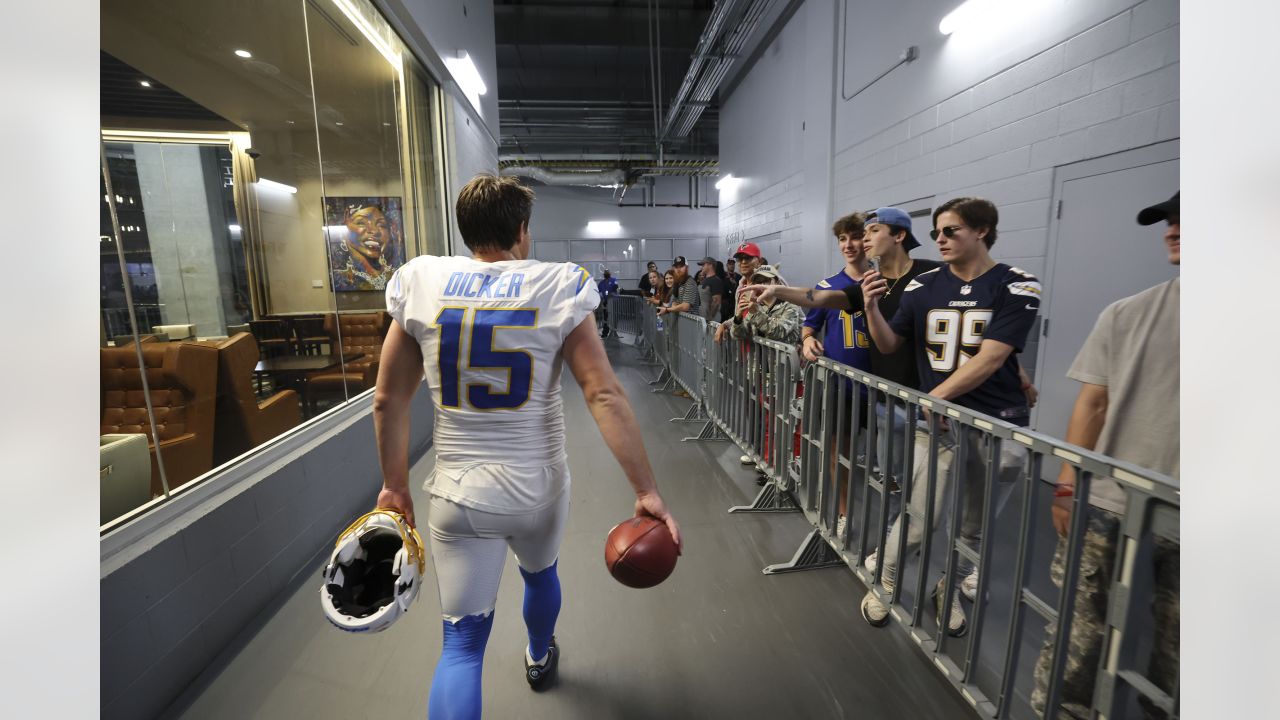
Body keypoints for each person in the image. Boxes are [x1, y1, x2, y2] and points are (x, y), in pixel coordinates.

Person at [372, 174, 682, 720]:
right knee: (541, 574)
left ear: (466, 231)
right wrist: (646, 490)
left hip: (458, 491)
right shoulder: (557, 284)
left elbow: (387, 400)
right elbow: (603, 393)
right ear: (522, 230)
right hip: (537, 484)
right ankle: (539, 655)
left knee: (461, 648)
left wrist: (395, 486)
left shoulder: (421, 279)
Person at [1030, 193, 1180, 720]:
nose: (1173, 230)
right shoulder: (1127, 313)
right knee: (1082, 628)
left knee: (1183, 654)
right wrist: (1068, 484)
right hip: (1113, 504)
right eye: (1169, 219)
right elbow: (1092, 403)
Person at [861, 197, 1041, 637]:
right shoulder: (924, 287)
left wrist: (935, 397)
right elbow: (888, 345)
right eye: (937, 232)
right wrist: (869, 309)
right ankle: (884, 582)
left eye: (950, 231)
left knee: (974, 526)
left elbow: (994, 355)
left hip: (996, 422)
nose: (939, 239)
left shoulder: (1017, 284)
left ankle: (949, 588)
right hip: (939, 423)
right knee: (921, 515)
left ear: (982, 231)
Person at [329, 200, 406, 291]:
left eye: (381, 225)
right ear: (343, 232)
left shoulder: (398, 278)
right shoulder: (341, 280)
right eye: (361, 223)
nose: (375, 231)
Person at [697, 256, 726, 323]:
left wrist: (709, 318)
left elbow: (716, 301)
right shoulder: (705, 280)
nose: (701, 267)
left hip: (712, 321)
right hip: (704, 319)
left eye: (703, 265)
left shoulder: (716, 281)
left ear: (710, 265)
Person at [597, 269, 619, 338]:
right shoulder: (601, 283)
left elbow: (616, 287)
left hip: (613, 301)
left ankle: (614, 331)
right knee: (605, 317)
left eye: (608, 272)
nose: (606, 273)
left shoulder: (614, 280)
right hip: (605, 302)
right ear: (604, 274)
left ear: (610, 273)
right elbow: (598, 291)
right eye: (605, 273)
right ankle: (605, 332)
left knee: (614, 316)